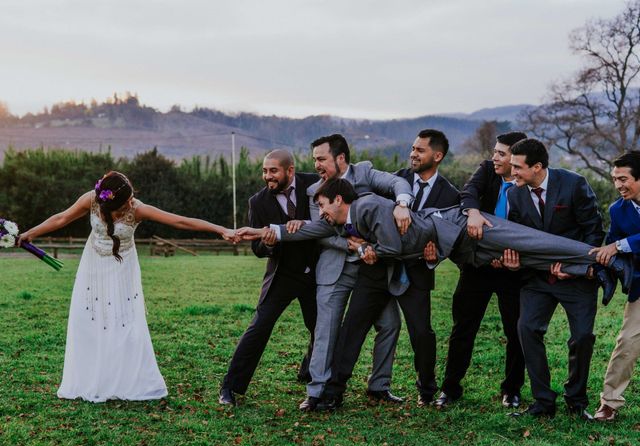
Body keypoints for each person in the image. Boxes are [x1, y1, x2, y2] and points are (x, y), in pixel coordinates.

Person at [238, 178, 631, 408]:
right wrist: (260, 231)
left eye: (322, 205)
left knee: (538, 244)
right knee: (528, 257)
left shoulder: (371, 206)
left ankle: (609, 261)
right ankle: (597, 269)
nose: (320, 212)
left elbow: (390, 245)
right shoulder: (341, 223)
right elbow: (307, 230)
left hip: (462, 228)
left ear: (339, 200)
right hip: (462, 250)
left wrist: (367, 249)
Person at [19, 171, 236, 403]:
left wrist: (219, 229)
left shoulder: (138, 209)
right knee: (89, 319)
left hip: (123, 270)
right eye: (126, 202)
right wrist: (30, 234)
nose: (131, 203)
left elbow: (180, 220)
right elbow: (61, 218)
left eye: (131, 198)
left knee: (125, 322)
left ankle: (125, 379)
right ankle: (91, 379)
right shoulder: (91, 199)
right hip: (92, 267)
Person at [286, 133, 414, 411]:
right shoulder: (314, 192)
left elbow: (397, 182)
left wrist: (402, 204)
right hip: (336, 267)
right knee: (326, 329)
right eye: (314, 160)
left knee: (390, 324)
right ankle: (317, 391)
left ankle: (379, 385)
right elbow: (322, 231)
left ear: (340, 158)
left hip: (373, 269)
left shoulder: (365, 172)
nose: (317, 165)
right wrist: (350, 245)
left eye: (322, 159)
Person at [507, 138, 604, 420]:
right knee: (527, 329)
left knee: (582, 337)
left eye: (517, 167)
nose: (512, 172)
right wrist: (513, 263)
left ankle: (576, 401)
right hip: (537, 279)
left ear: (537, 167)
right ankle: (543, 402)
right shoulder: (514, 194)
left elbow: (593, 231)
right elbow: (518, 237)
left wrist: (576, 266)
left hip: (577, 279)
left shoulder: (574, 184)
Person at [218, 150, 319, 406]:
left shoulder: (313, 184)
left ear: (290, 170)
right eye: (264, 171)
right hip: (282, 275)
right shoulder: (258, 202)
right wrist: (270, 244)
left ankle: (309, 369)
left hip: (317, 273)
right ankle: (230, 387)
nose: (267, 176)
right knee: (259, 327)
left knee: (320, 327)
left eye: (273, 171)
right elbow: (257, 250)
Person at [436, 131, 527, 410]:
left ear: (517, 159)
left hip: (513, 268)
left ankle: (512, 390)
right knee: (463, 327)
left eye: (501, 153)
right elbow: (469, 192)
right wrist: (473, 213)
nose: (494, 157)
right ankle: (450, 388)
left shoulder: (527, 184)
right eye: (495, 152)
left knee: (516, 330)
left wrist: (513, 258)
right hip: (478, 267)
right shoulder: (488, 170)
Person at [385, 129, 459, 405]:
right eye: (413, 148)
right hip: (381, 264)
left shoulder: (450, 195)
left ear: (437, 156)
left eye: (420, 150)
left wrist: (435, 255)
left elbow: (447, 237)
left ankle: (426, 389)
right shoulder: (396, 179)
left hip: (418, 270)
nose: (413, 154)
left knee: (421, 332)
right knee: (358, 324)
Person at [590, 152, 640, 421]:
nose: (619, 185)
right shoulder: (617, 210)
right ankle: (609, 403)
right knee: (627, 342)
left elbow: (618, 244)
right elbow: (611, 244)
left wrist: (619, 246)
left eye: (624, 179)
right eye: (615, 179)